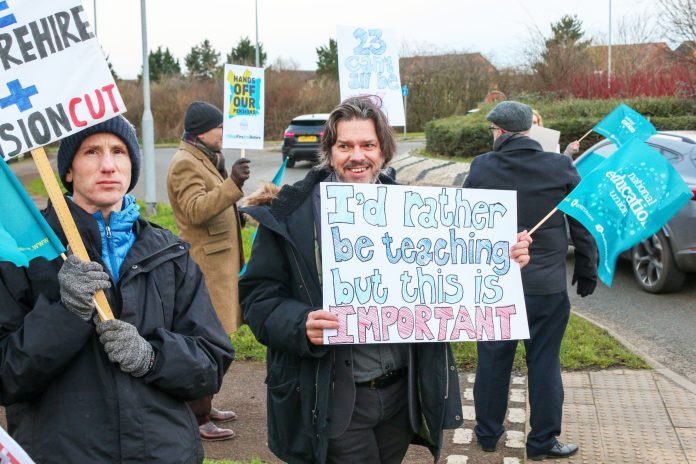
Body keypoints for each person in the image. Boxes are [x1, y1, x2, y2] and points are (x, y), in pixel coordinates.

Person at [238, 96, 532, 464]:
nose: (356, 156)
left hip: (400, 397)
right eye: (344, 146)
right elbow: (257, 298)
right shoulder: (289, 212)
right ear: (329, 150)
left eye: (367, 145)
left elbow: (457, 269)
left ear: (383, 151)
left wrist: (500, 262)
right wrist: (299, 323)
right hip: (333, 397)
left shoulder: (416, 212)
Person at [0, 115, 235, 463]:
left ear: (132, 164)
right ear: (68, 171)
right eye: (91, 152)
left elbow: (211, 364)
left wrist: (152, 357)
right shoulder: (24, 255)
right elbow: (7, 377)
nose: (108, 165)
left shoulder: (170, 254)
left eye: (119, 151)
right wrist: (65, 313)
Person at [464, 101, 598, 461]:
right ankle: (542, 443)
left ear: (501, 131)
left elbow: (461, 221)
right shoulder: (560, 166)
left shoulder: (482, 166)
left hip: (495, 286)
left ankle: (488, 435)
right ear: (529, 130)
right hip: (547, 288)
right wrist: (587, 267)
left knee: (492, 360)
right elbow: (581, 220)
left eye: (492, 130)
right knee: (544, 362)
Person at [167, 101, 251, 440]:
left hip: (219, 263)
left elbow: (212, 204)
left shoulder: (202, 157)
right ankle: (197, 416)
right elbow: (195, 210)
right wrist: (232, 183)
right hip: (205, 266)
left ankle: (205, 404)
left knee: (217, 342)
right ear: (204, 130)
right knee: (207, 345)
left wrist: (236, 212)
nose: (225, 134)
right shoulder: (184, 164)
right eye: (221, 128)